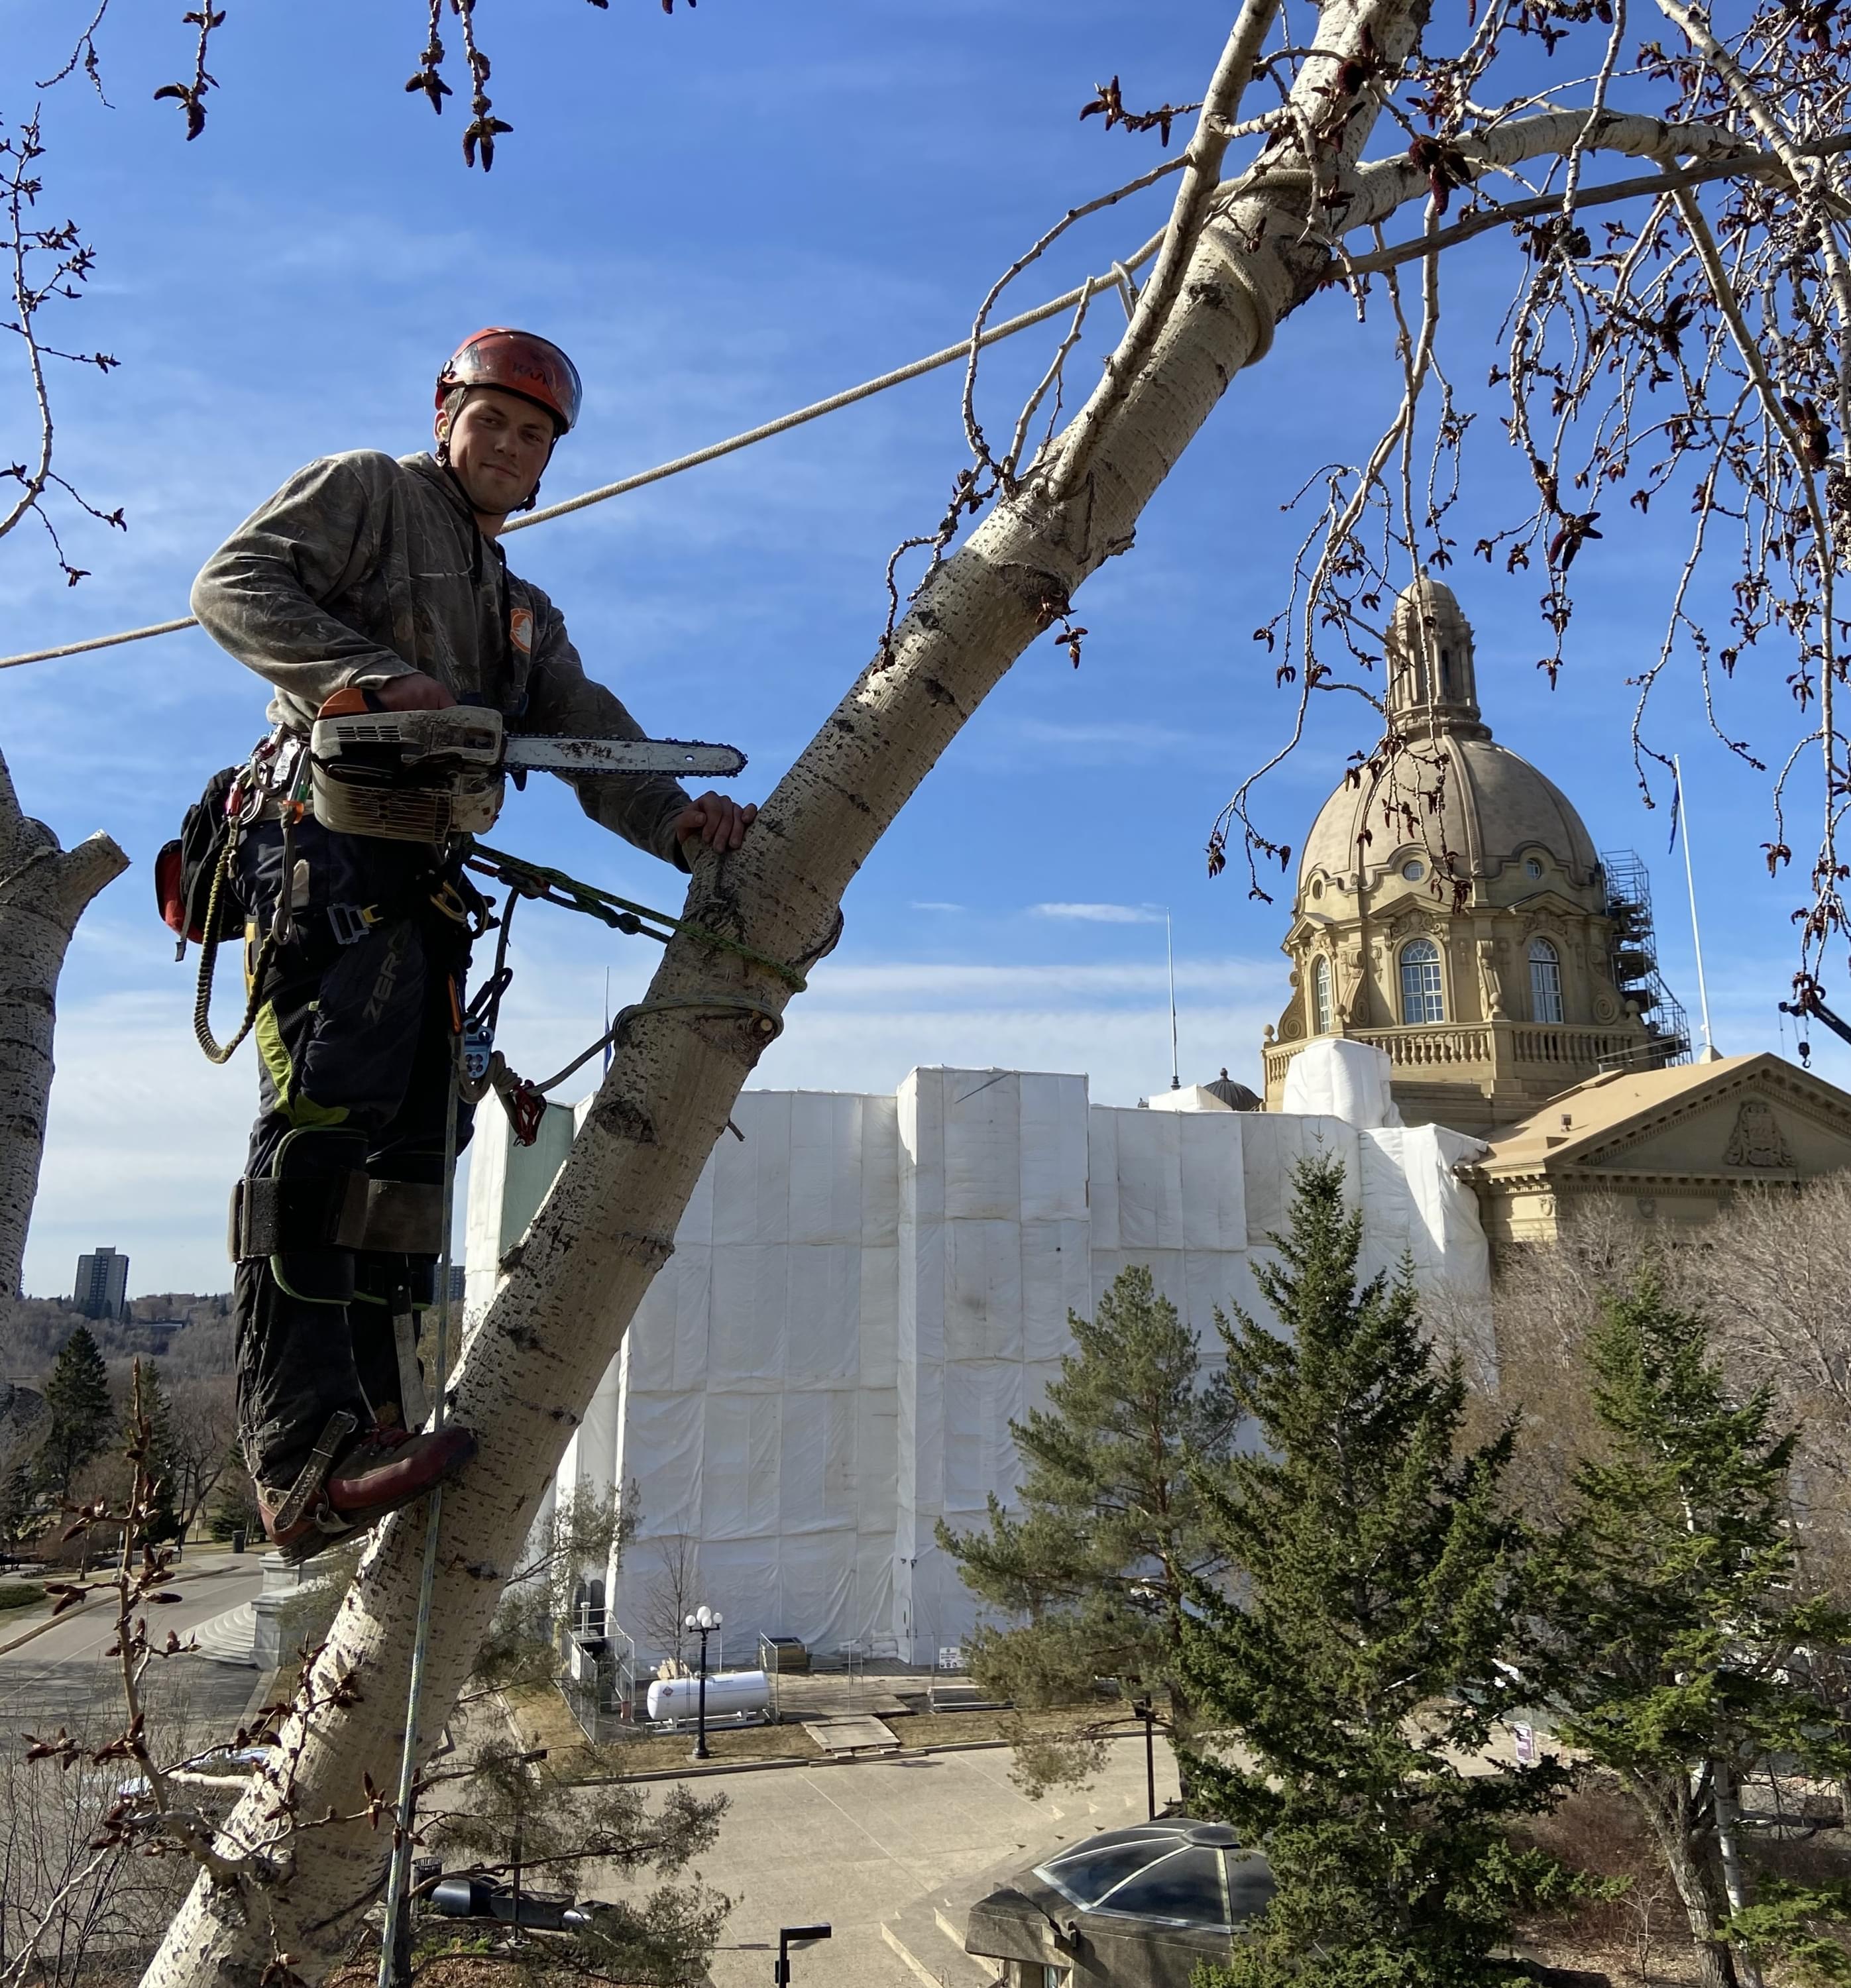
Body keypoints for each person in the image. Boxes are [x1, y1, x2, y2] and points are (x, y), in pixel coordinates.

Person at [192, 327, 756, 1557]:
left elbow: (587, 732)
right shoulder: (370, 494)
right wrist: (372, 678)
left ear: (550, 463)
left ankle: (374, 1423)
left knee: (408, 1154)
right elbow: (235, 585)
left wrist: (678, 820)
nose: (509, 444)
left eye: (534, 433)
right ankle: (297, 1459)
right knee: (321, 1133)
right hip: (322, 851)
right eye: (491, 419)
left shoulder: (518, 616)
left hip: (421, 883)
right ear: (447, 415)